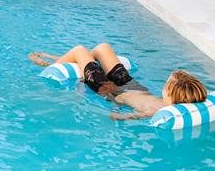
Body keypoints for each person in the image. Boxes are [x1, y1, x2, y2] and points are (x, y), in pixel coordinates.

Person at [29, 42, 208, 120]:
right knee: (103, 48)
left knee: (79, 49)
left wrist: (118, 110)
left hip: (107, 89)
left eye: (166, 85)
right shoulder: (168, 103)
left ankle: (47, 63)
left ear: (170, 94)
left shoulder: (157, 111)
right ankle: (76, 60)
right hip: (129, 83)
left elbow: (119, 116)